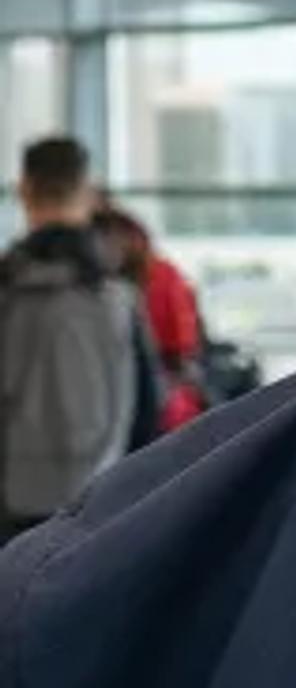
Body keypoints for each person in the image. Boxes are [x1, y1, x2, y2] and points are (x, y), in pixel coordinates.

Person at [0, 135, 160, 542]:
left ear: (24, 190)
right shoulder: (119, 298)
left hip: (12, 505)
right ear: (88, 193)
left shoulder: (9, 288)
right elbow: (147, 410)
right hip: (99, 501)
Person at [92, 201, 208, 431]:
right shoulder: (106, 289)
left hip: (157, 395)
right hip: (151, 394)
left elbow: (182, 346)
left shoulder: (160, 277)